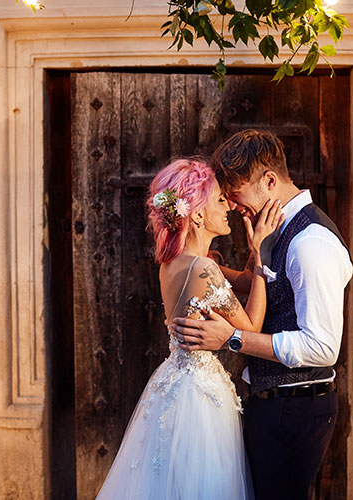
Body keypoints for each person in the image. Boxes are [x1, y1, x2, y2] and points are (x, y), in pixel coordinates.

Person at [171, 130, 353, 500]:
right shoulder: (277, 233)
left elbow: (322, 347)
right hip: (275, 403)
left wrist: (232, 339)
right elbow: (263, 287)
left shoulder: (310, 243)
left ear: (269, 181)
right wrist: (211, 269)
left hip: (295, 408)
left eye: (236, 195)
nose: (234, 206)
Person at [95, 157, 283, 500]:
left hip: (175, 382)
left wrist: (253, 251)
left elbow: (243, 283)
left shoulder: (179, 263)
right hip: (199, 394)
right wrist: (261, 253)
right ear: (196, 214)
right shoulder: (203, 271)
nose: (228, 205)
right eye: (219, 200)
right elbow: (252, 325)